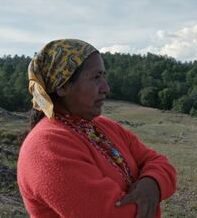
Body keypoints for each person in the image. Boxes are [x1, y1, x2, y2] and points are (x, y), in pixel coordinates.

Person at [17, 39, 177, 218]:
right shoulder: (47, 146)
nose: (106, 88)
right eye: (96, 77)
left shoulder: (102, 125)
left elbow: (160, 162)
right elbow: (117, 214)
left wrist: (152, 183)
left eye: (103, 76)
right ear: (62, 87)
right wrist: (151, 195)